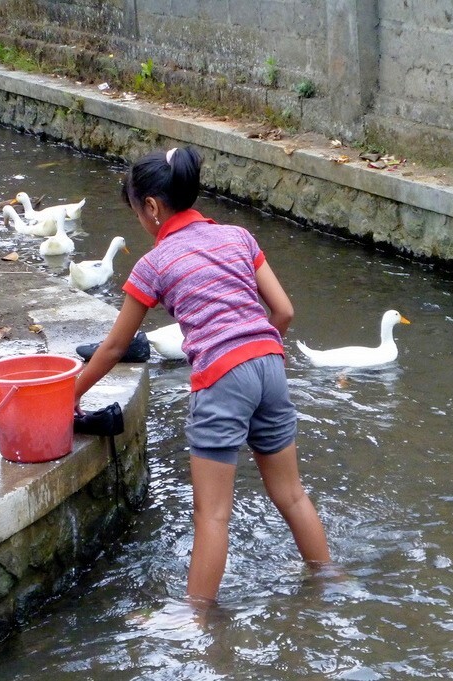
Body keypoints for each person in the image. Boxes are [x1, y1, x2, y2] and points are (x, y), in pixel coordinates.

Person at [73, 146, 330, 602]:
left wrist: (68, 393)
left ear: (151, 207)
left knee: (211, 516)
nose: (140, 220)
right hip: (270, 363)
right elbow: (284, 311)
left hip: (222, 376)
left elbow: (113, 348)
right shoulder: (238, 237)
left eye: (136, 211)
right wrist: (260, 353)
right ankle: (331, 583)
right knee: (292, 495)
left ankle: (196, 622)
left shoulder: (153, 264)